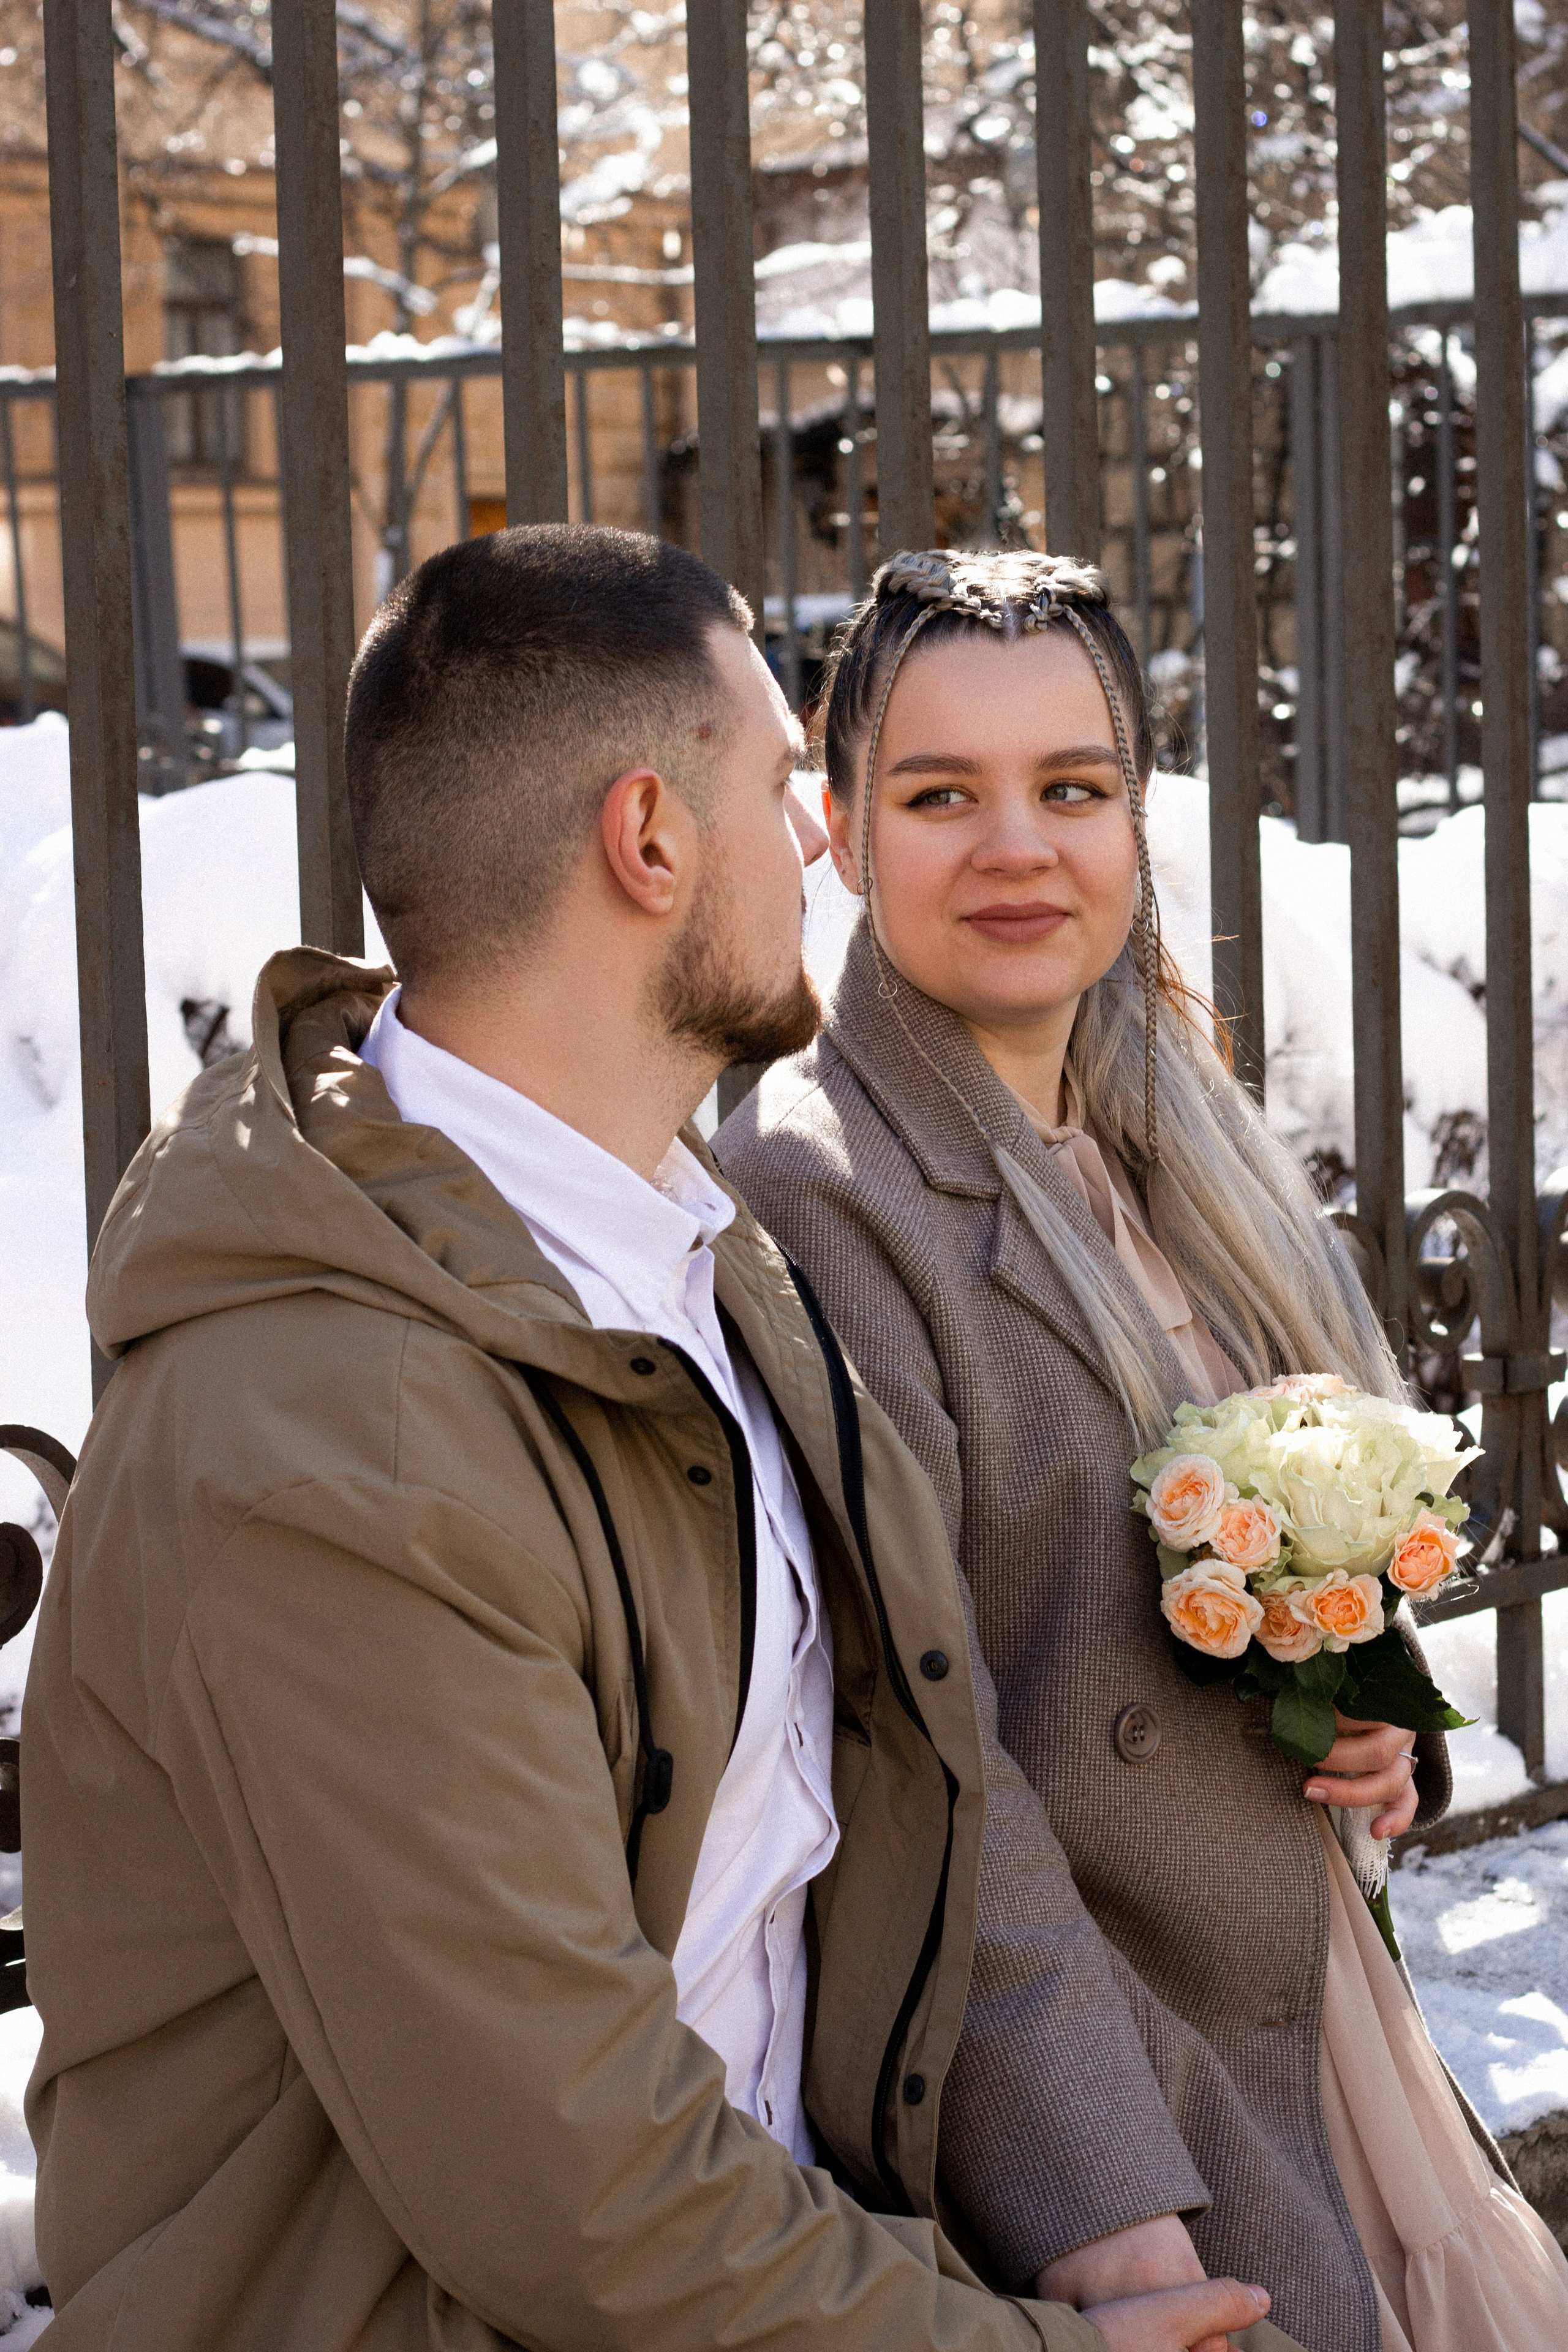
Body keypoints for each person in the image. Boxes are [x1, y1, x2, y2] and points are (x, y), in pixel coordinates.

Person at [20, 526, 1280, 2352]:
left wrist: (1096, 2231)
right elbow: (575, 2188)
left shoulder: (692, 1261)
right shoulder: (334, 1438)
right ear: (649, 838)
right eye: (783, 779)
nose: (821, 839)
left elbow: (906, 1797)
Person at [717, 546, 1568, 2352]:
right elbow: (935, 1761)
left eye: (1072, 789)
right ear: (844, 827)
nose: (1019, 845)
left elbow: (1227, 1550)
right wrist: (1113, 2214)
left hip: (1308, 1992)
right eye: (942, 794)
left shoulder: (1159, 1122)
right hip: (1115, 2060)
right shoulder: (824, 1184)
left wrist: (1361, 1720)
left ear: (1135, 818)